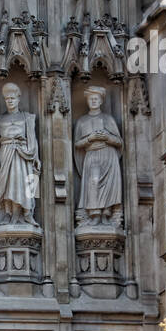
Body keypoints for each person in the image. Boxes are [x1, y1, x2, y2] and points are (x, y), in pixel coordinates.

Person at [0, 82, 40, 226]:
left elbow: (33, 139)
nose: (10, 101)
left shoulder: (26, 117)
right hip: (5, 152)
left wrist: (36, 157)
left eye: (12, 98)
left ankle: (26, 213)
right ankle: (7, 213)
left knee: (24, 183)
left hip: (23, 153)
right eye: (7, 99)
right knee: (6, 184)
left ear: (18, 99)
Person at [73, 86, 123, 227]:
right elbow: (77, 144)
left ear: (101, 101)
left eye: (96, 99)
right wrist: (90, 138)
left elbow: (119, 142)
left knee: (108, 187)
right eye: (91, 99)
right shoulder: (82, 121)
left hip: (108, 156)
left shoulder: (108, 119)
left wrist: (107, 137)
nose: (93, 101)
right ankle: (94, 215)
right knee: (93, 184)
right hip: (92, 156)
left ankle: (106, 215)